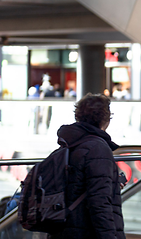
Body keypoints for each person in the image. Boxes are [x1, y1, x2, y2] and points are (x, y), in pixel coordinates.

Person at [49, 93, 126, 239]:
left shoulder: (68, 145)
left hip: (63, 228)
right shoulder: (98, 149)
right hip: (86, 231)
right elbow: (100, 203)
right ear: (106, 119)